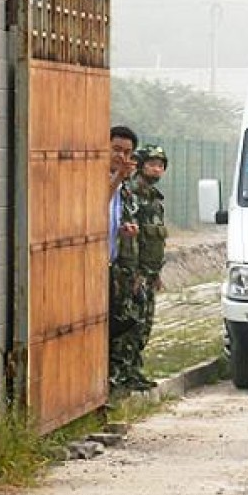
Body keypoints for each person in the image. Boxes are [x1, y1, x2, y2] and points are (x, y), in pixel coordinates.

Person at [127, 144, 171, 390]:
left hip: (149, 273)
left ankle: (134, 372)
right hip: (135, 273)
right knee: (131, 326)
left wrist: (155, 273)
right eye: (152, 163)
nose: (157, 168)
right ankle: (122, 376)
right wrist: (137, 272)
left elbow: (154, 241)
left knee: (144, 325)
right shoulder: (133, 195)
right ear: (141, 165)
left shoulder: (154, 199)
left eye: (160, 165)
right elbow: (132, 239)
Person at [108, 126, 143, 391]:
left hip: (113, 263)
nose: (122, 156)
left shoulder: (121, 186)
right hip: (91, 264)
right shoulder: (98, 178)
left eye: (128, 152)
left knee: (124, 321)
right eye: (117, 149)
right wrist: (118, 178)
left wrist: (123, 229)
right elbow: (93, 203)